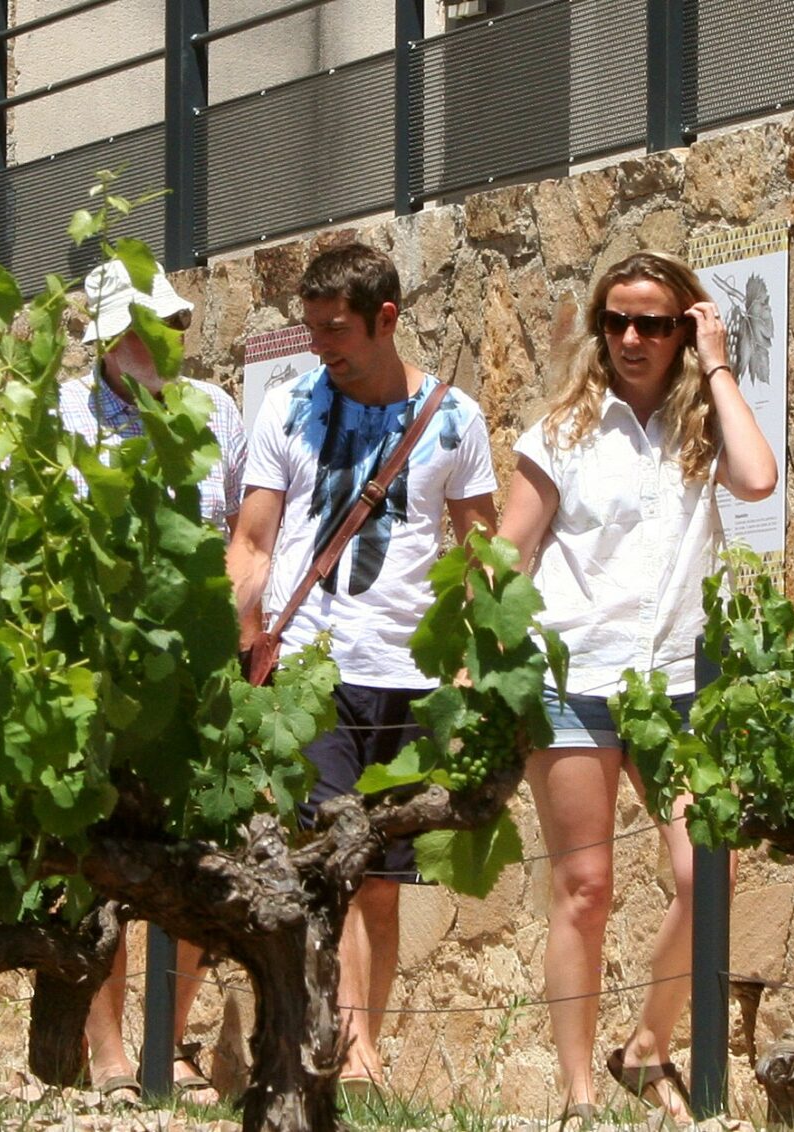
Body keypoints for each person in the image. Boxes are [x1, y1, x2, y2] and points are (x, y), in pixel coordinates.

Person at [497, 253, 778, 1125]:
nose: (630, 338)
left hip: (677, 682)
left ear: (685, 327)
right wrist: (487, 658)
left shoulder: (702, 423)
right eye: (616, 320)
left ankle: (648, 1044)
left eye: (654, 323)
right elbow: (511, 551)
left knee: (707, 878)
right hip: (574, 678)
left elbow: (760, 478)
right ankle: (580, 1097)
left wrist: (720, 362)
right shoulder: (561, 431)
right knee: (585, 889)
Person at [226, 242, 498, 1094]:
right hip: (314, 671)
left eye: (335, 329)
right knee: (325, 859)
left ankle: (362, 1043)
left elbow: (482, 556)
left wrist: (471, 673)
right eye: (310, 329)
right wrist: (248, 650)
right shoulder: (289, 406)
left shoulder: (456, 419)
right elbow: (255, 539)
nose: (320, 347)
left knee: (381, 883)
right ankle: (344, 1051)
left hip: (410, 675)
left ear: (386, 319)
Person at [58, 257, 241, 1104]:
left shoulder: (217, 412)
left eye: (169, 326)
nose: (159, 341)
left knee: (198, 859)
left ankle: (167, 1041)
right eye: (139, 329)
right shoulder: (58, 415)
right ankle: (109, 1053)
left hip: (195, 671)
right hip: (91, 671)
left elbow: (241, 534)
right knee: (94, 868)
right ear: (104, 342)